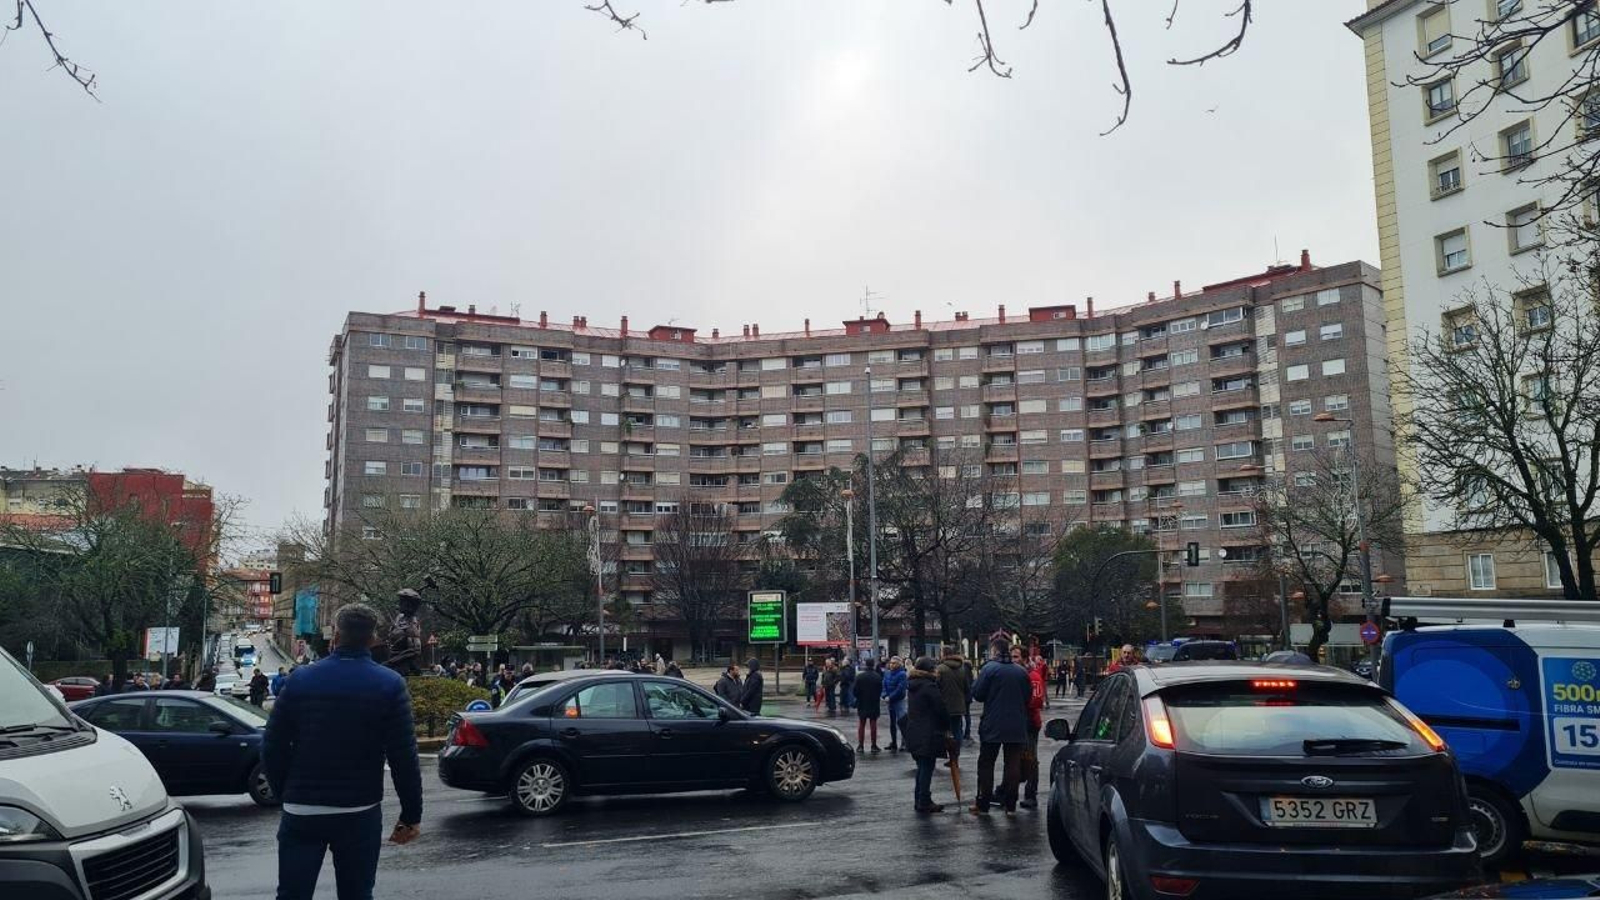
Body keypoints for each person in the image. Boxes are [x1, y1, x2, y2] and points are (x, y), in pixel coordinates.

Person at [264, 603, 422, 900]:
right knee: (357, 894)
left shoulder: (300, 679)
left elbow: (272, 745)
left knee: (292, 894)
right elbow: (403, 757)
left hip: (302, 809)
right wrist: (411, 815)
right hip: (359, 810)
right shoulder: (389, 684)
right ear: (373, 638)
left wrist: (285, 793)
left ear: (335, 635)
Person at [969, 639, 1031, 815]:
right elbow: (1027, 696)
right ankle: (1010, 804)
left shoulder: (989, 669)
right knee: (1012, 764)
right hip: (1016, 724)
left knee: (986, 763)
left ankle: (983, 803)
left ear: (994, 651)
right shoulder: (1021, 672)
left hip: (993, 724)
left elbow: (978, 694)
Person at [902, 657, 951, 814]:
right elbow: (941, 709)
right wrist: (947, 726)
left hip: (914, 731)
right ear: (928, 670)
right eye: (934, 668)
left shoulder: (914, 685)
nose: (937, 671)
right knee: (927, 767)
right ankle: (924, 801)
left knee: (922, 767)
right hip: (928, 732)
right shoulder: (929, 686)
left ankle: (920, 799)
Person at [1013, 646, 1047, 809]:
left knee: (1030, 758)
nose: (1013, 660)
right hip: (1018, 721)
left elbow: (1037, 700)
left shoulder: (1032, 676)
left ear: (1025, 659)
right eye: (1012, 657)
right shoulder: (1016, 675)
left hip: (1030, 722)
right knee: (1017, 757)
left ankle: (1031, 793)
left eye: (1016, 657)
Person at [936, 651, 971, 763]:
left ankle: (946, 753)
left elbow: (936, 687)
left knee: (944, 731)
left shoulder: (940, 669)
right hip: (959, 705)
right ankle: (955, 756)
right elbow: (967, 687)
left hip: (944, 705)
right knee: (957, 731)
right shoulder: (962, 668)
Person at [853, 659, 884, 753]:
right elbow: (880, 690)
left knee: (861, 724)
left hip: (862, 702)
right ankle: (873, 745)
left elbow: (855, 691)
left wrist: (859, 697)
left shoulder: (860, 677)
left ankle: (860, 746)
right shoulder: (877, 677)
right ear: (873, 665)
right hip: (874, 702)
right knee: (873, 724)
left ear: (865, 665)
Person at [881, 656, 908, 753]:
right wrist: (884, 695)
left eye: (894, 663)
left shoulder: (902, 674)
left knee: (901, 722)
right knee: (892, 723)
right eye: (891, 663)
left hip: (899, 701)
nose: (891, 665)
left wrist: (890, 697)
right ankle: (894, 742)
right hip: (890, 701)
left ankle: (904, 743)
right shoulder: (887, 673)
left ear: (899, 664)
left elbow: (900, 689)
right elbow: (883, 685)